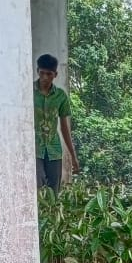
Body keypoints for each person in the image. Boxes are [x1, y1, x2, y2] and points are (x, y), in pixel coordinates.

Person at [34, 53, 79, 194]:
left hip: (54, 150)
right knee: (37, 187)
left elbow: (64, 127)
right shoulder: (28, 93)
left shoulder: (60, 96)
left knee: (54, 192)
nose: (45, 77)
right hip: (34, 149)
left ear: (55, 75)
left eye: (49, 74)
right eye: (42, 73)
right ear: (37, 71)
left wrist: (73, 156)